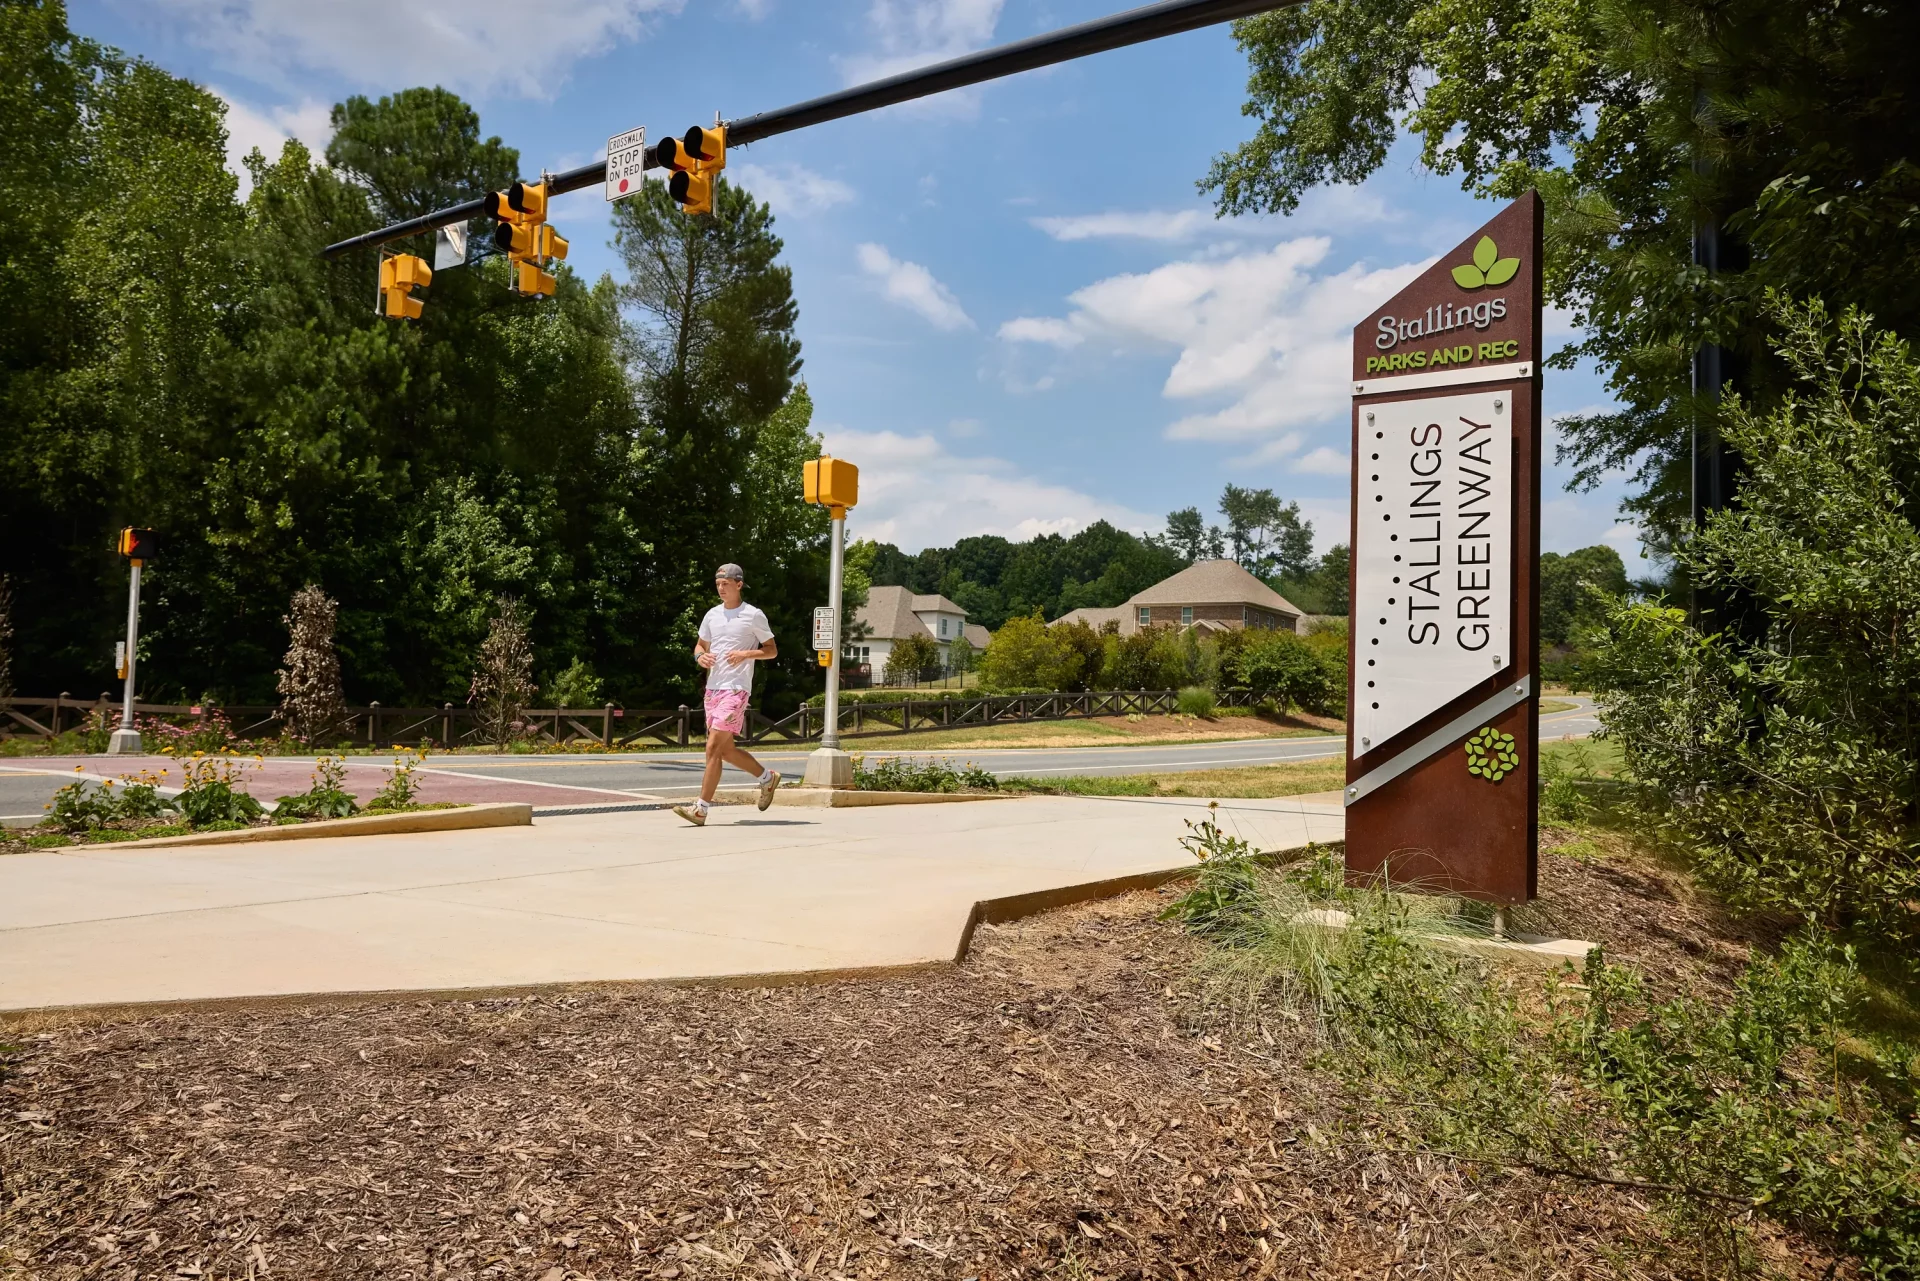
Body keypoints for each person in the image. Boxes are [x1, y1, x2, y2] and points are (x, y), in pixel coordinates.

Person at [674, 564, 781, 826]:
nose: (721, 588)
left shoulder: (753, 615)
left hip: (736, 688)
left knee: (712, 747)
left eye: (726, 584)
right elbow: (700, 645)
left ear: (739, 584)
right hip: (713, 688)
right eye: (718, 584)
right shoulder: (712, 615)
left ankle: (701, 810)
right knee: (725, 751)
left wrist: (745, 654)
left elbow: (771, 650)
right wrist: (701, 656)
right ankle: (767, 778)